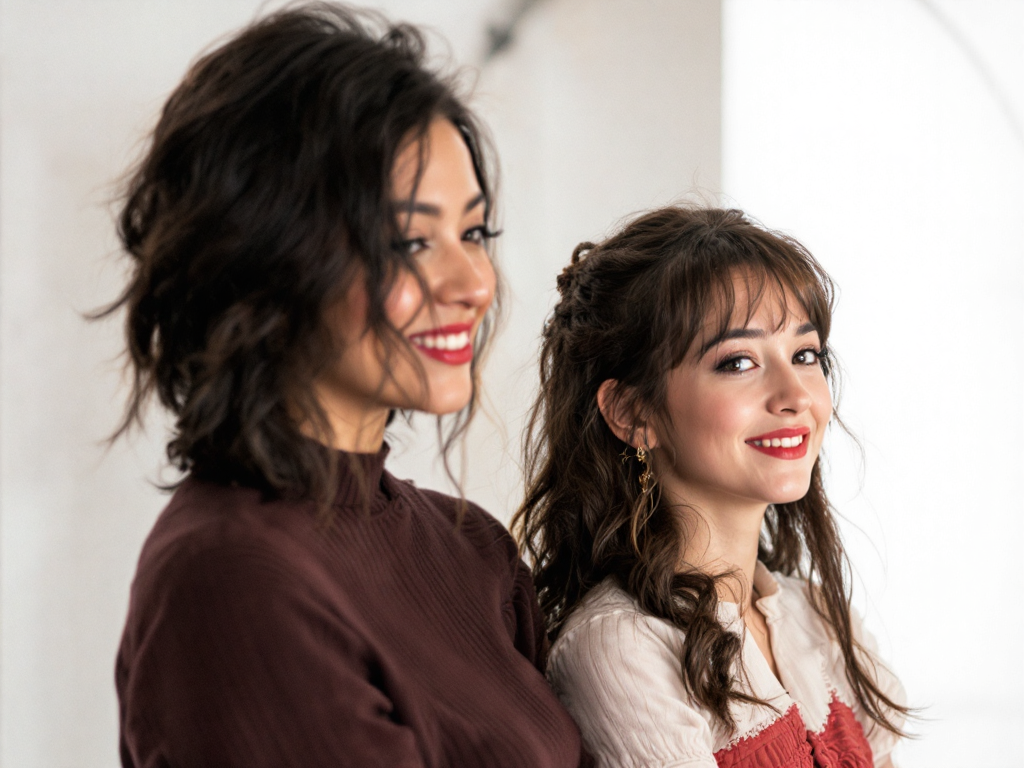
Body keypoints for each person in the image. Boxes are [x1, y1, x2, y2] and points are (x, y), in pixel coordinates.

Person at [106, 5, 587, 767]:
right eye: (409, 242)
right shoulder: (232, 579)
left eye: (473, 233)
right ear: (270, 258)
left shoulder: (471, 549)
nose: (471, 282)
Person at [512, 206, 911, 767]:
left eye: (805, 354)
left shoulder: (816, 615)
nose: (794, 394)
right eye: (738, 362)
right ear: (632, 412)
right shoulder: (620, 646)